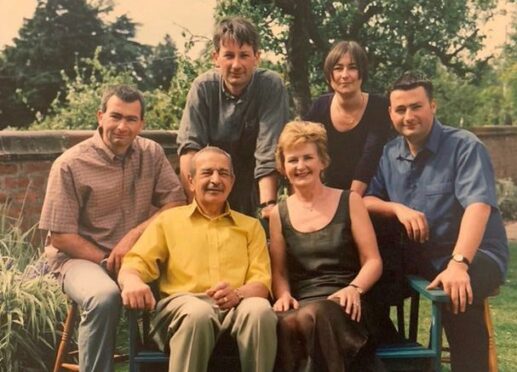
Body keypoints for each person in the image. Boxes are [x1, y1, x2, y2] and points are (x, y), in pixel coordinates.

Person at [364, 72, 509, 372]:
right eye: (401, 109)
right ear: (390, 113)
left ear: (433, 106)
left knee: (457, 293)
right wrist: (397, 209)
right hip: (422, 254)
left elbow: (478, 207)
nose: (409, 116)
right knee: (361, 285)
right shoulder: (390, 153)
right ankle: (412, 364)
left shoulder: (465, 146)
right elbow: (367, 200)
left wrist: (458, 263)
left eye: (416, 107)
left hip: (475, 254)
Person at [39, 84, 186, 372]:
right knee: (103, 297)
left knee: (188, 284)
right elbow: (61, 236)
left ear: (142, 124)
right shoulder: (69, 164)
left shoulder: (151, 153)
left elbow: (176, 202)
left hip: (135, 257)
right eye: (115, 116)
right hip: (79, 259)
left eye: (131, 119)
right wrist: (109, 262)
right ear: (100, 116)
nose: (122, 126)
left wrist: (133, 238)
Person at [118, 146, 277, 372]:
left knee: (259, 310)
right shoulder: (169, 222)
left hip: (235, 309)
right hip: (182, 310)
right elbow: (135, 263)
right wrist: (133, 281)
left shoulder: (250, 227)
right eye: (207, 172)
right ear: (191, 181)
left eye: (223, 173)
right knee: (198, 314)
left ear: (232, 181)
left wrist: (238, 294)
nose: (215, 179)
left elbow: (261, 283)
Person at [269, 121, 383, 371]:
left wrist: (355, 288)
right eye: (292, 160)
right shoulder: (279, 213)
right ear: (283, 167)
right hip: (302, 301)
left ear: (322, 161)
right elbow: (279, 271)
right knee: (284, 322)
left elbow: (373, 260)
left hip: (348, 301)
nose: (300, 166)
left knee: (316, 315)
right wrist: (284, 294)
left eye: (308, 157)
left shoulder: (350, 200)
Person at [177, 16, 290, 218]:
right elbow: (190, 149)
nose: (236, 64)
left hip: (252, 183)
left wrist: (268, 206)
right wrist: (195, 205)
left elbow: (268, 150)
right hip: (211, 181)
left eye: (244, 55)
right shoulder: (203, 87)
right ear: (216, 58)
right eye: (229, 55)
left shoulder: (271, 85)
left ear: (257, 57)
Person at [303, 40, 391, 195]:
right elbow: (303, 149)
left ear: (361, 73)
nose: (345, 75)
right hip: (326, 194)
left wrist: (349, 204)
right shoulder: (320, 107)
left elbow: (369, 158)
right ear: (329, 75)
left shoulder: (380, 107)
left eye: (352, 68)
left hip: (370, 196)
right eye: (338, 68)